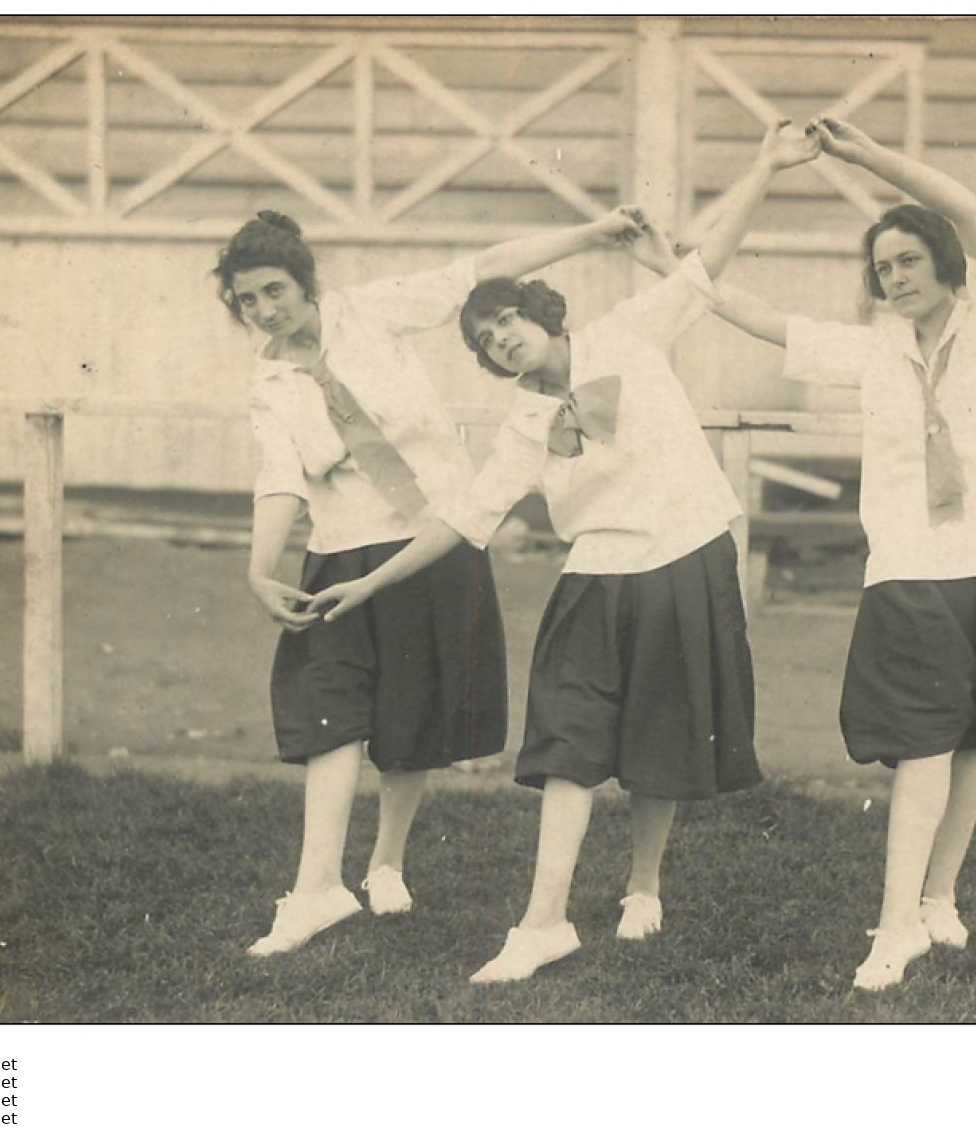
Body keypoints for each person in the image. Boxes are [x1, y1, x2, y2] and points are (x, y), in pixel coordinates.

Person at [307, 120, 822, 983]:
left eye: (505, 320)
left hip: (687, 556)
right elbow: (460, 520)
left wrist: (766, 165)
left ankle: (643, 886)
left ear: (539, 314)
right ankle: (542, 919)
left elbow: (706, 264)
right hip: (594, 578)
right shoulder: (521, 425)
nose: (498, 339)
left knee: (665, 731)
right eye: (482, 340)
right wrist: (362, 585)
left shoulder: (630, 333)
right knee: (567, 738)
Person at [703, 117, 976, 990]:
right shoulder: (870, 350)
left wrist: (862, 155)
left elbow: (968, 205)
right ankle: (895, 922)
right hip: (912, 565)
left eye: (908, 260)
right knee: (920, 739)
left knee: (974, 736)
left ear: (945, 264)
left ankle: (939, 897)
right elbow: (745, 309)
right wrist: (694, 252)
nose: (894, 278)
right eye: (881, 269)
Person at [217, 207, 646, 956]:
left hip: (434, 535)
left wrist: (590, 232)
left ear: (305, 281)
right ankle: (317, 884)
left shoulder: (371, 310)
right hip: (343, 547)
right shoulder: (270, 379)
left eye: (272, 290)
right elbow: (280, 473)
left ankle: (385, 860)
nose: (262, 310)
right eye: (245, 300)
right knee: (331, 710)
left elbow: (487, 262)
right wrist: (258, 567)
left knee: (409, 716)